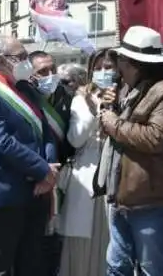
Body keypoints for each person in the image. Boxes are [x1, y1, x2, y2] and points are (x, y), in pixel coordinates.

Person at [95, 25, 163, 276]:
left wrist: (114, 123)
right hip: (121, 196)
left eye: (121, 59)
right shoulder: (128, 91)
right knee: (117, 265)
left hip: (148, 200)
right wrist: (109, 112)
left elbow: (155, 138)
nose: (117, 65)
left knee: (150, 269)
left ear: (134, 63)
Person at [0, 35, 58, 276]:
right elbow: (1, 142)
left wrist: (49, 167)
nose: (25, 62)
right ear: (1, 60)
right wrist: (42, 169)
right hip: (3, 191)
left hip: (36, 189)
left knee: (31, 263)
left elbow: (44, 132)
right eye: (20, 58)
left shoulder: (25, 89)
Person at [57, 48, 113, 276]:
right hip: (87, 172)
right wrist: (93, 110)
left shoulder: (127, 95)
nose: (103, 72)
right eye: (97, 68)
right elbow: (76, 138)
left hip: (115, 173)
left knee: (111, 238)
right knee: (82, 238)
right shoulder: (81, 99)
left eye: (108, 68)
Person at [28, 50, 73, 276]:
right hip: (36, 176)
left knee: (58, 238)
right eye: (42, 71)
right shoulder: (25, 98)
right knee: (35, 240)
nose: (50, 75)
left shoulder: (68, 95)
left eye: (52, 69)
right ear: (31, 74)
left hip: (63, 176)